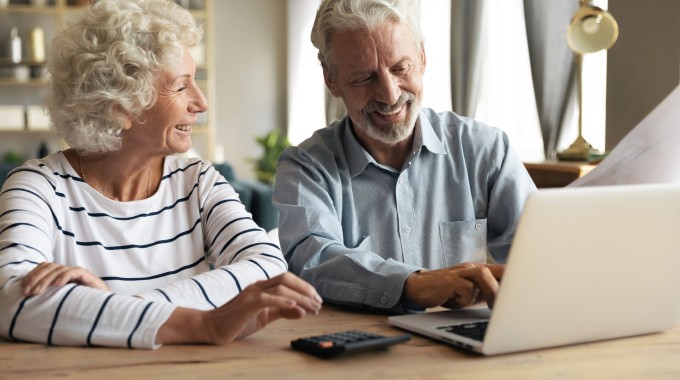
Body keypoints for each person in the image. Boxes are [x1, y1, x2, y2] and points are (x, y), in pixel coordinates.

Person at [0, 0, 321, 349]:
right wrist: (202, 324)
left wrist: (115, 309)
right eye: (182, 86)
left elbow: (269, 269)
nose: (201, 102)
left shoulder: (197, 181)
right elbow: (11, 301)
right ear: (121, 105)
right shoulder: (37, 188)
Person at [273, 0, 536, 313]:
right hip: (361, 350)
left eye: (400, 68)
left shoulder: (485, 149)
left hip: (467, 351)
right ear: (332, 81)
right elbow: (312, 259)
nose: (390, 95)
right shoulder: (306, 167)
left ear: (422, 58)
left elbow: (540, 254)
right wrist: (415, 284)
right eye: (364, 78)